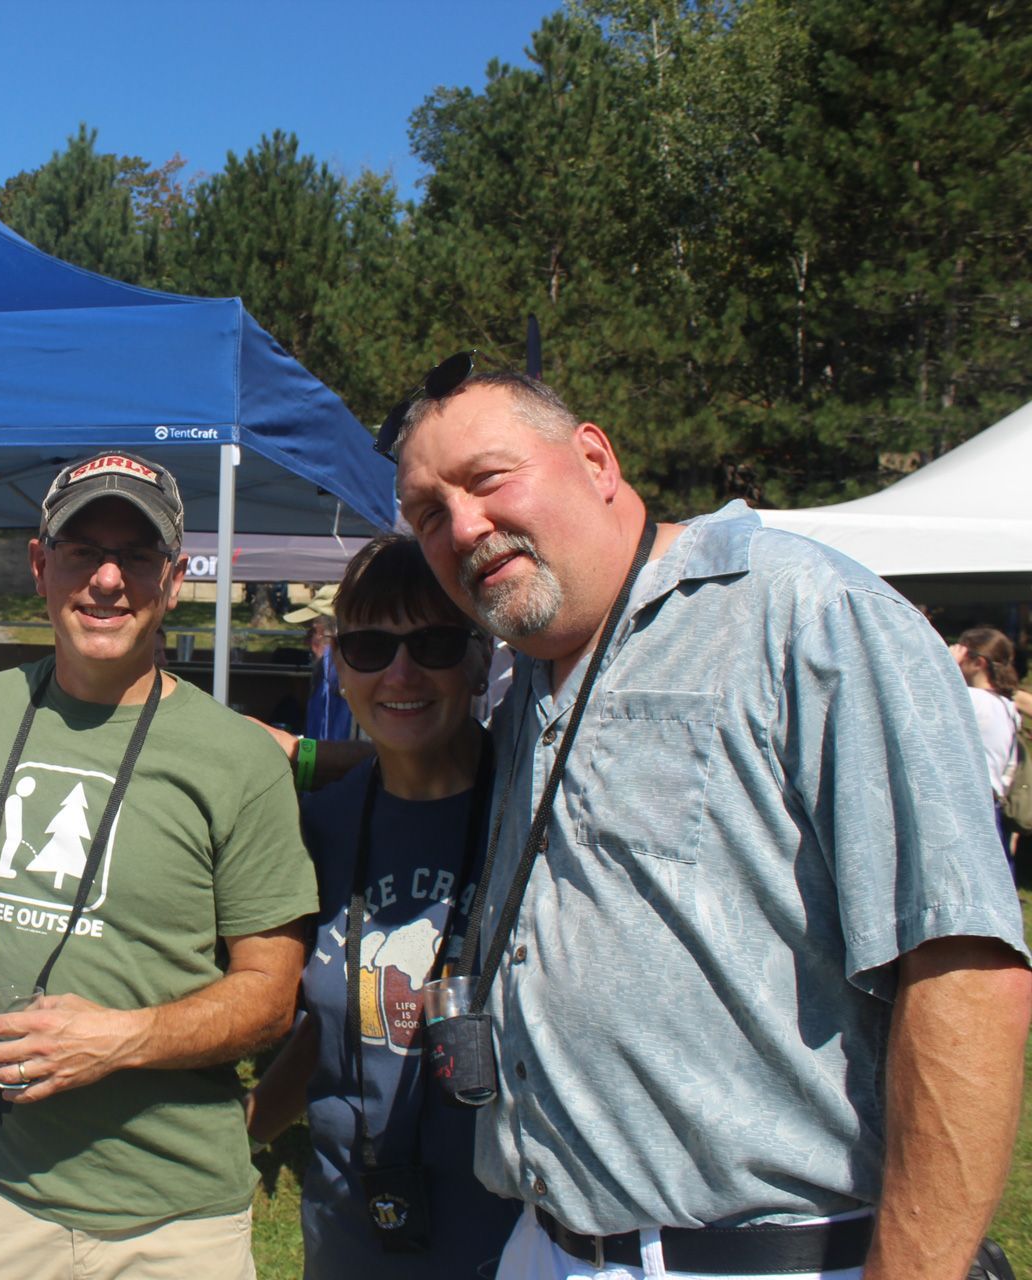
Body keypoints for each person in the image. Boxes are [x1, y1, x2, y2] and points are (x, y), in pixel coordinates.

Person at [382, 355, 1032, 1279]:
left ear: (596, 460)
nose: (465, 526)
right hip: (545, 1245)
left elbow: (965, 971)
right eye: (427, 515)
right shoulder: (528, 678)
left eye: (488, 480)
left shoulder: (806, 614)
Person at [0, 451, 317, 1279]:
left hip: (168, 1220)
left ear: (174, 580)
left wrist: (120, 1040)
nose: (108, 580)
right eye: (82, 551)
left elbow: (272, 995)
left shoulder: (236, 760)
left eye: (137, 557)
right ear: (40, 565)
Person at [246, 534, 517, 1278]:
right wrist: (244, 1136)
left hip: (516, 1241)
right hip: (351, 1232)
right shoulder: (320, 828)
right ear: (337, 662)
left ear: (477, 656)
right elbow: (334, 1028)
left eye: (431, 643)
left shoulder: (530, 813)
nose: (400, 672)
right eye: (368, 647)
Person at [951, 627, 1021, 857]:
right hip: (992, 803)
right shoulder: (1008, 707)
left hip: (967, 805)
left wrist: (947, 668)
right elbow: (1009, 767)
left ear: (978, 662)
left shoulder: (971, 699)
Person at [285, 585, 355, 742]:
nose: (306, 642)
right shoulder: (325, 670)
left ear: (333, 632)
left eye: (312, 632)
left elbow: (333, 741)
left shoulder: (339, 673)